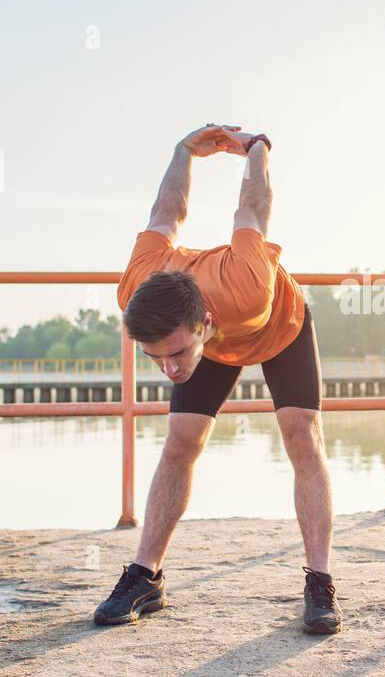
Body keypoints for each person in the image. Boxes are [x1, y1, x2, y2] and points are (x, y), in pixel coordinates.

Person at [94, 123, 343, 635]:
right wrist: (184, 151)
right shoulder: (136, 288)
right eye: (153, 358)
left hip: (280, 327)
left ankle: (319, 582)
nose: (169, 369)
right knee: (181, 442)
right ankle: (146, 576)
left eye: (177, 354)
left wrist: (257, 148)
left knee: (302, 435)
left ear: (203, 324)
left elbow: (251, 207)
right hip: (214, 342)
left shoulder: (247, 285)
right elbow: (167, 211)